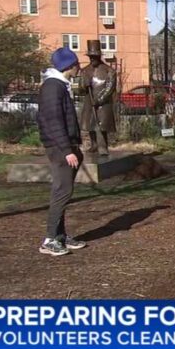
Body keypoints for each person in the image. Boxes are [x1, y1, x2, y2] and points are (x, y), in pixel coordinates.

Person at [36, 48, 87, 256]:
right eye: (76, 64)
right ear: (69, 66)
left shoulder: (59, 86)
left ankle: (60, 235)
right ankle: (49, 240)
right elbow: (53, 120)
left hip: (65, 146)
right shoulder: (52, 87)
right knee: (62, 192)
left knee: (64, 192)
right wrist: (67, 150)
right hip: (59, 149)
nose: (79, 67)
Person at [80, 40, 117, 156]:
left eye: (94, 57)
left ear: (99, 56)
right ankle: (94, 145)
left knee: (101, 125)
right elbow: (80, 90)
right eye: (90, 57)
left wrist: (99, 100)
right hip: (89, 102)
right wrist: (83, 84)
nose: (92, 60)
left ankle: (103, 146)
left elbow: (110, 88)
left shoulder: (109, 70)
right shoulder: (85, 71)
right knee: (90, 124)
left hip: (103, 104)